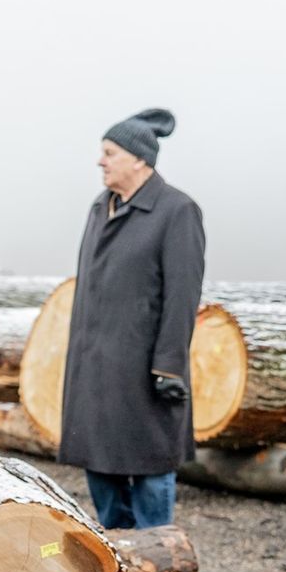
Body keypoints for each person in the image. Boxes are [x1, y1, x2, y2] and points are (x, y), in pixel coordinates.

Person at [58, 108, 204, 529]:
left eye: (109, 152)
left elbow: (182, 296)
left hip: (144, 372)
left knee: (150, 472)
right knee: (100, 471)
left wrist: (169, 367)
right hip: (95, 368)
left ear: (139, 158)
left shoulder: (177, 211)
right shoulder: (99, 207)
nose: (100, 161)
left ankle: (158, 566)